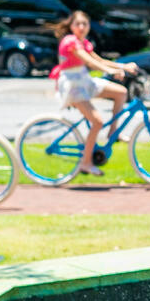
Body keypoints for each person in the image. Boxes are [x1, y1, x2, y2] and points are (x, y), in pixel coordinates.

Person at [49, 9, 129, 178]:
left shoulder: (83, 41)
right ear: (71, 26)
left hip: (85, 81)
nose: (81, 27)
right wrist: (111, 71)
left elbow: (98, 59)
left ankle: (113, 132)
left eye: (85, 24)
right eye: (78, 24)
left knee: (121, 92)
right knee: (97, 122)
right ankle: (86, 163)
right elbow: (89, 61)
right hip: (73, 85)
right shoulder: (70, 41)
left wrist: (123, 67)